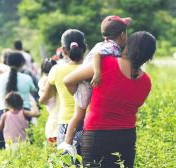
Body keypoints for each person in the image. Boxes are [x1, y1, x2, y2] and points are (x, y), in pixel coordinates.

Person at [64, 31, 156, 168]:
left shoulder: (105, 63)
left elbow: (68, 80)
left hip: (96, 135)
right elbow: (136, 104)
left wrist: (83, 98)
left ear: (128, 45)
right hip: (126, 137)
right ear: (149, 56)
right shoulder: (146, 82)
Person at [61, 15, 132, 159]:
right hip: (85, 84)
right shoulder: (110, 47)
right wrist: (98, 73)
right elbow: (97, 55)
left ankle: (69, 143)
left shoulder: (105, 44)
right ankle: (67, 144)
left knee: (80, 114)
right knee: (79, 115)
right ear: (123, 35)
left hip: (85, 85)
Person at [39, 29, 86, 153]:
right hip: (90, 123)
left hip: (65, 124)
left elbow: (46, 97)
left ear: (64, 51)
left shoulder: (56, 70)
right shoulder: (92, 69)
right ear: (85, 48)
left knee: (67, 163)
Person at [0, 51, 36, 149]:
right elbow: (33, 91)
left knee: (2, 144)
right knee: (27, 142)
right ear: (22, 64)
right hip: (24, 112)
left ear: (6, 63)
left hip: (3, 110)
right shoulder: (27, 78)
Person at [38, 58, 59, 144]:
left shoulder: (44, 80)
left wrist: (40, 100)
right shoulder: (57, 78)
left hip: (54, 115)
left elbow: (43, 100)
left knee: (53, 139)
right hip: (58, 111)